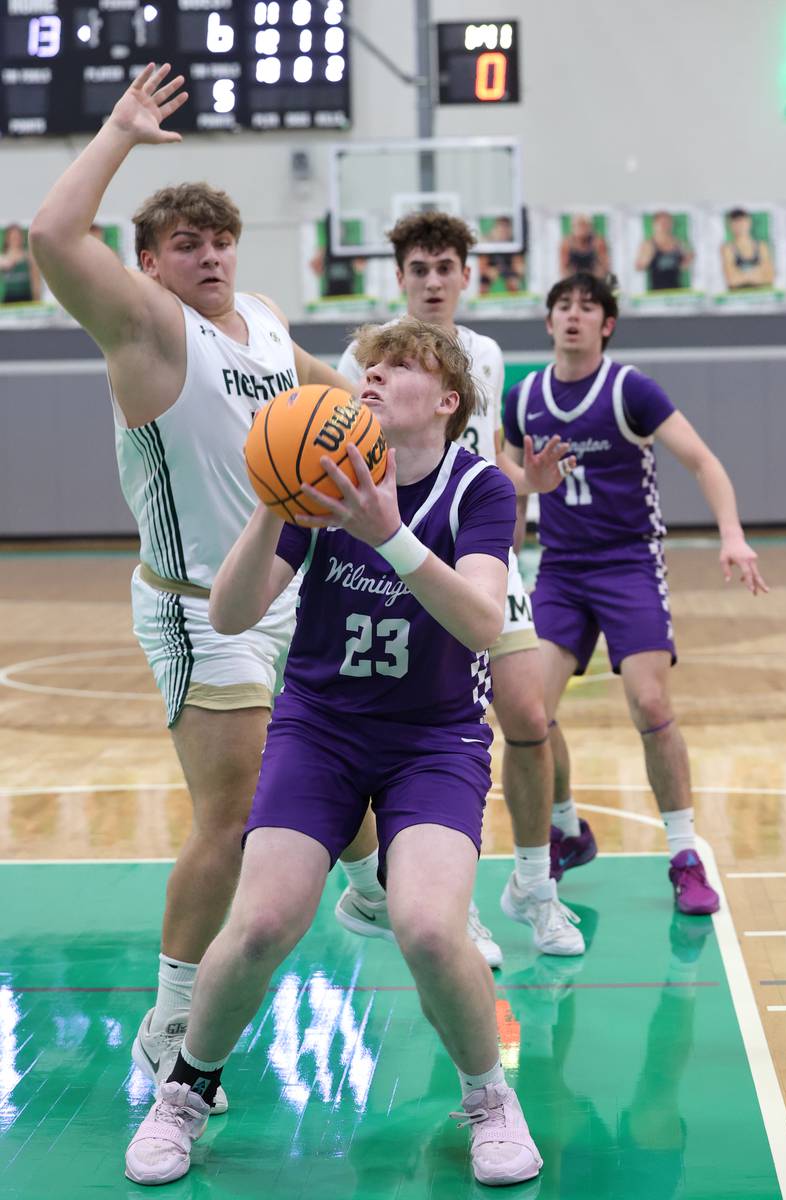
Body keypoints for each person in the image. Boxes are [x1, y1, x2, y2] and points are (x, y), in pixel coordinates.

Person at [124, 316, 543, 1188]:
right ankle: (184, 1092)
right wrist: (272, 507)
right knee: (265, 920)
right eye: (370, 365)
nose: (374, 376)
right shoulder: (314, 482)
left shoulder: (480, 489)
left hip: (434, 737)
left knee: (429, 927)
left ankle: (491, 1100)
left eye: (400, 366)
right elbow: (234, 615)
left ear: (449, 400)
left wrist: (389, 532)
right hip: (320, 727)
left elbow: (481, 620)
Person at [29, 63, 359, 1115]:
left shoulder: (258, 316)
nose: (208, 254)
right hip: (190, 607)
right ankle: (170, 1021)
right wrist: (122, 131)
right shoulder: (142, 327)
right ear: (150, 266)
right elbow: (48, 238)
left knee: (338, 789)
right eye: (185, 244)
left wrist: (388, 410)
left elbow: (322, 388)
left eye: (219, 239)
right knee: (234, 815)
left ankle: (364, 881)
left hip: (289, 598)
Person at [335, 211, 585, 964]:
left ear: (466, 276)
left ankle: (535, 886)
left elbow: (487, 459)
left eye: (446, 267)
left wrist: (526, 486)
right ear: (401, 277)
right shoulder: (365, 359)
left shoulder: (485, 353)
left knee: (530, 716)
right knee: (436, 733)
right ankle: (450, 906)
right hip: (395, 563)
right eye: (419, 269)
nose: (433, 281)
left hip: (479, 560)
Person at [502, 272, 768, 915]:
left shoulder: (630, 390)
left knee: (649, 704)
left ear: (606, 324)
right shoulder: (522, 397)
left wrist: (731, 534)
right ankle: (567, 828)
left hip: (628, 563)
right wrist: (503, 560)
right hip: (560, 568)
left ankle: (684, 854)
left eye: (586, 308)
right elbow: (509, 486)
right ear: (548, 322)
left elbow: (703, 461)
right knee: (531, 712)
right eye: (562, 306)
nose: (573, 316)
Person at [634, 211, 693, 291]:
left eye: (668, 222)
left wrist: (689, 258)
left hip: (677, 290)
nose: (665, 225)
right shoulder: (648, 245)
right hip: (656, 292)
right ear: (654, 224)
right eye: (662, 223)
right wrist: (648, 257)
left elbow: (684, 267)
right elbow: (638, 268)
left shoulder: (678, 243)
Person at [721, 208, 775, 290]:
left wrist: (741, 275)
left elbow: (769, 277)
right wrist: (757, 273)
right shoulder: (727, 249)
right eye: (736, 223)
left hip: (763, 296)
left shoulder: (762, 246)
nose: (740, 226)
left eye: (742, 221)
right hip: (737, 298)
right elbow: (732, 280)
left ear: (749, 222)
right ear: (730, 225)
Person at [558, 213, 610, 279]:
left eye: (584, 226)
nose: (582, 229)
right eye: (579, 226)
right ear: (573, 227)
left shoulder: (598, 242)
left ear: (590, 227)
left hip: (594, 277)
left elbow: (605, 266)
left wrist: (594, 280)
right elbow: (563, 269)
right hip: (574, 278)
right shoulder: (566, 243)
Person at [0, 223, 41, 303]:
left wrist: (37, 298)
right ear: (7, 239)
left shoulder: (29, 257)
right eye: (13, 237)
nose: (15, 239)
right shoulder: (2, 258)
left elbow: (35, 280)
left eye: (17, 237)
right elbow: (5, 264)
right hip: (9, 299)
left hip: (27, 298)